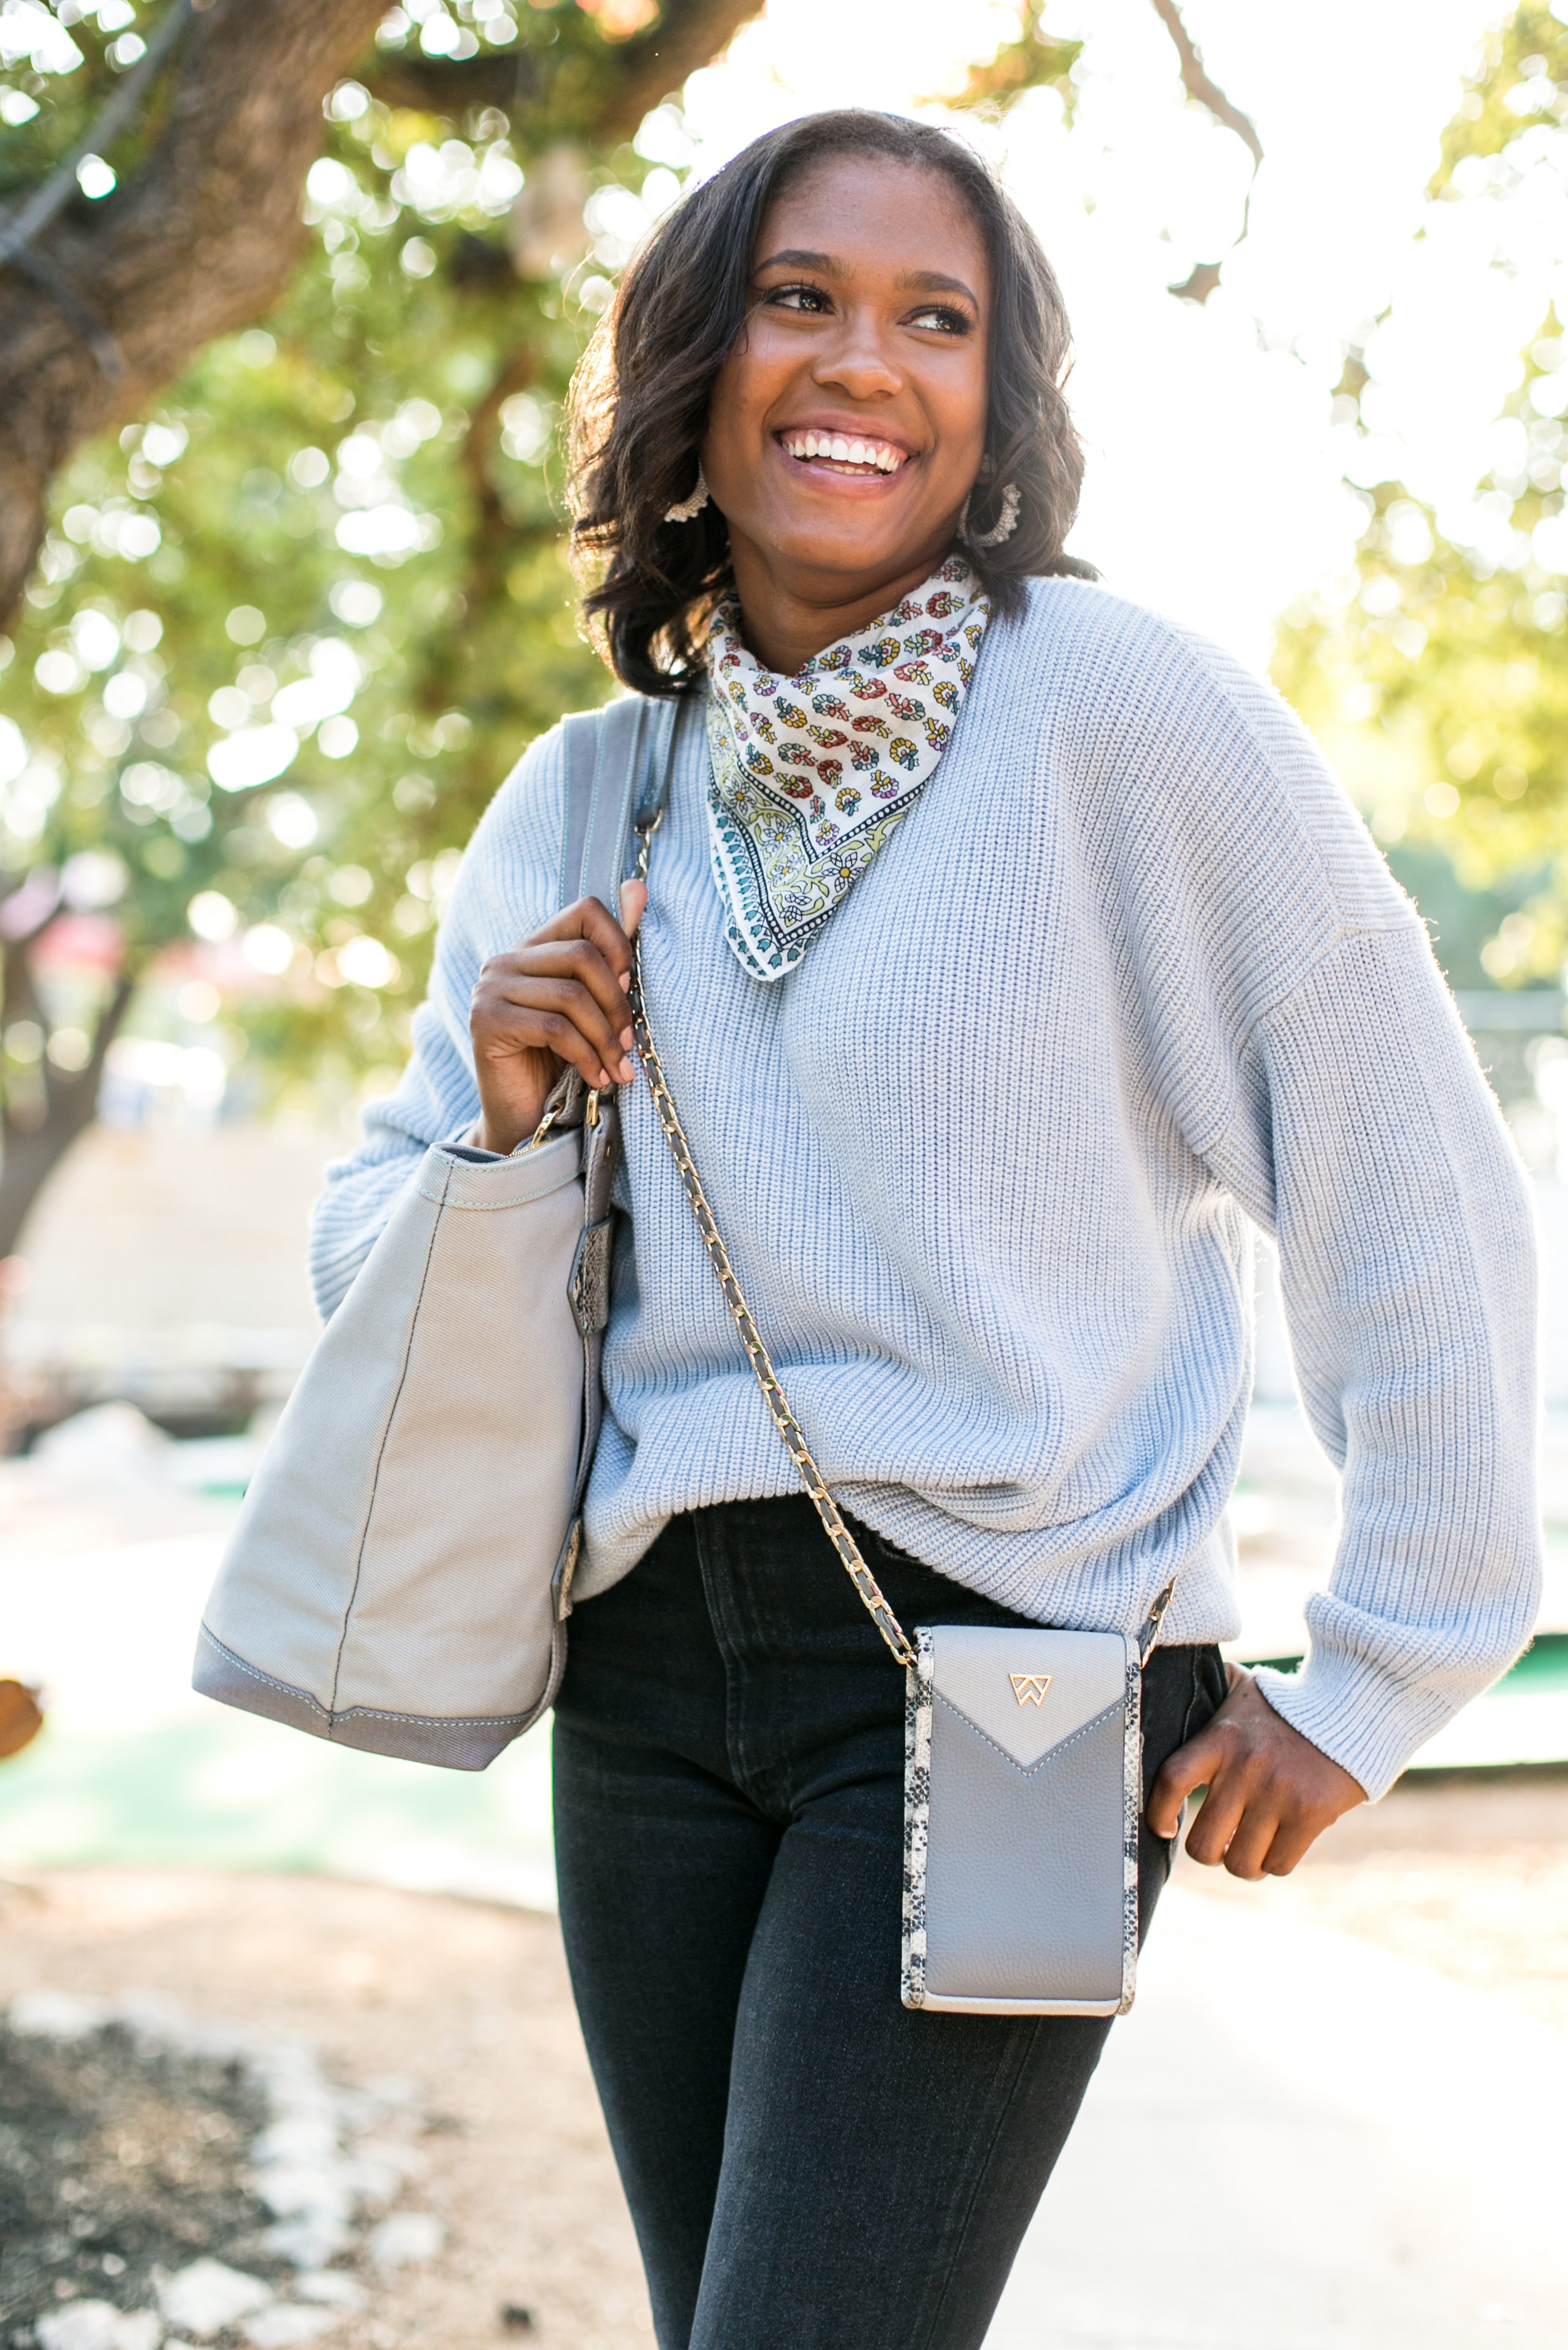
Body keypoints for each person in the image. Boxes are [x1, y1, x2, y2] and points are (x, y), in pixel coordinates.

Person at [311, 110, 1541, 2350]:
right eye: (800, 296)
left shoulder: (1124, 715)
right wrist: (494, 1120)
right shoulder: (591, 795)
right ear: (699, 362)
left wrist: (1389, 1662)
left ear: (997, 403)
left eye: (933, 317)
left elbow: (1403, 1161)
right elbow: (362, 1269)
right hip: (650, 1683)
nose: (860, 361)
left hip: (1028, 1669)